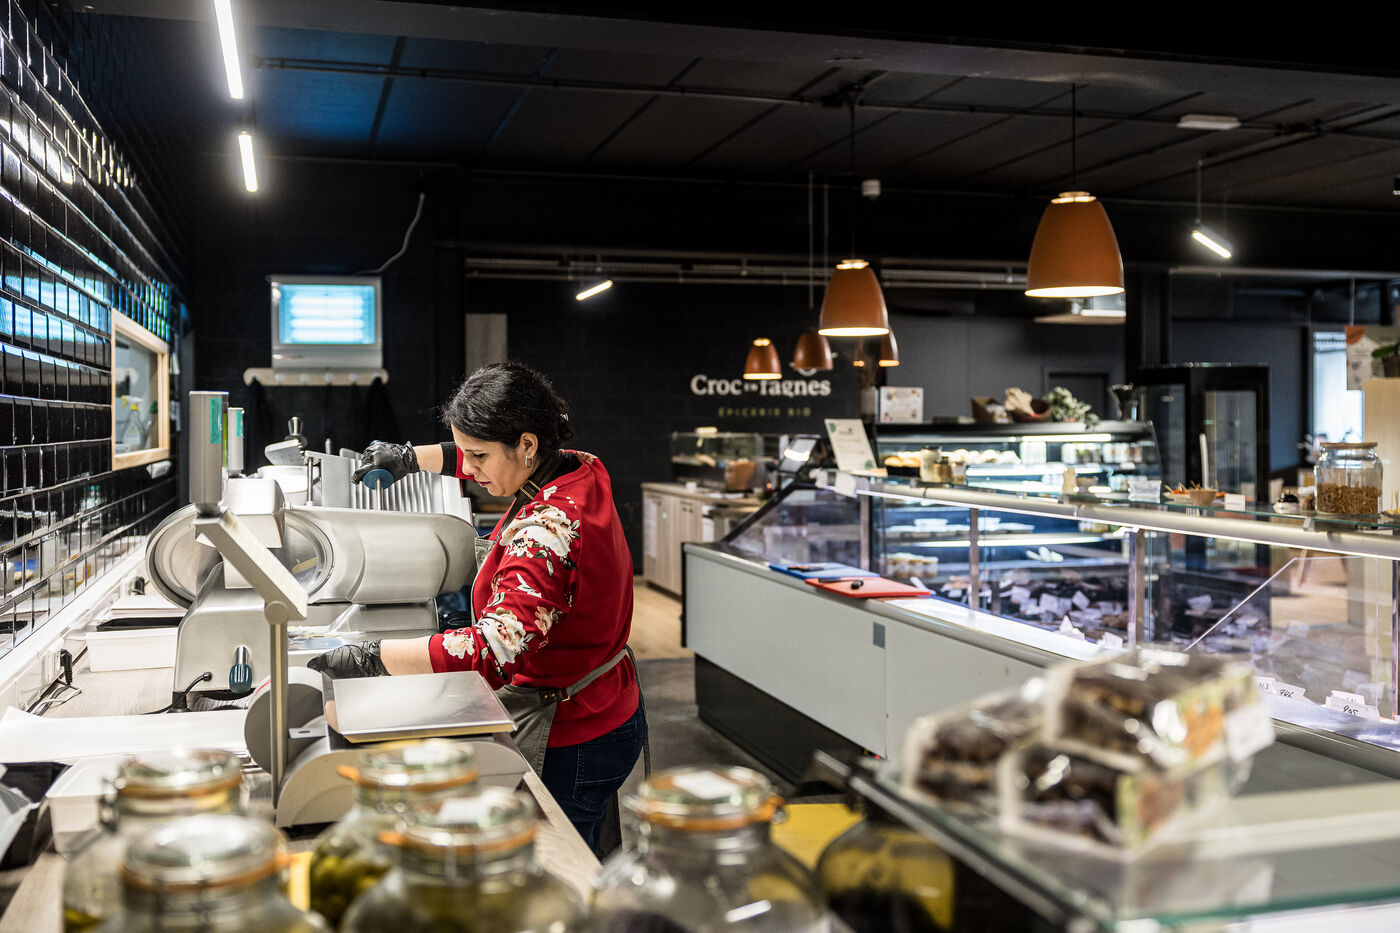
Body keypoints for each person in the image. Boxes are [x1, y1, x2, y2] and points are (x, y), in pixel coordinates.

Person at [309, 361, 645, 852]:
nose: (467, 470)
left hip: (573, 732)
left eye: (479, 456)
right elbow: (468, 453)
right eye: (465, 452)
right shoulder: (578, 466)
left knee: (560, 864)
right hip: (610, 702)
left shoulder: (547, 528)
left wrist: (372, 657)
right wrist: (409, 457)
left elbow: (493, 650)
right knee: (589, 848)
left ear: (527, 445)